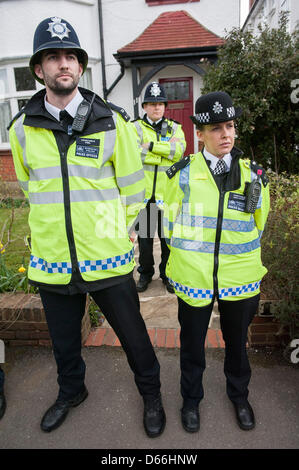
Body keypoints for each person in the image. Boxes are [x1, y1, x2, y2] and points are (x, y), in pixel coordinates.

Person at [9, 17, 165, 437]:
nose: (63, 64)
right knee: (64, 346)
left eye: (70, 57)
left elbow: (135, 190)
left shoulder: (111, 122)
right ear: (38, 69)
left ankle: (152, 394)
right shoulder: (21, 130)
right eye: (52, 57)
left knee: (135, 338)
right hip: (53, 261)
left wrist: (125, 230)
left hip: (107, 258)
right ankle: (71, 392)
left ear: (81, 67)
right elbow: (31, 190)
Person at [163, 91, 270, 432]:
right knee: (192, 346)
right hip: (194, 277)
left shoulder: (253, 176)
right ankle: (191, 400)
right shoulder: (181, 174)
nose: (226, 134)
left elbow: (259, 223)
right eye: (216, 128)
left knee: (237, 346)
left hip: (239, 278)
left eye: (230, 126)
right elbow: (165, 222)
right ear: (200, 133)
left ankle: (239, 397)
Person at [132, 82, 186, 293]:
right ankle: (145, 274)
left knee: (167, 238)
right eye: (152, 104)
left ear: (165, 107)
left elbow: (179, 151)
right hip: (145, 195)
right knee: (144, 240)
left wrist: (152, 146)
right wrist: (164, 152)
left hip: (167, 195)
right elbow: (134, 152)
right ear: (144, 106)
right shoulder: (134, 128)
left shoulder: (175, 128)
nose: (157, 108)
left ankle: (167, 274)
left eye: (160, 104)